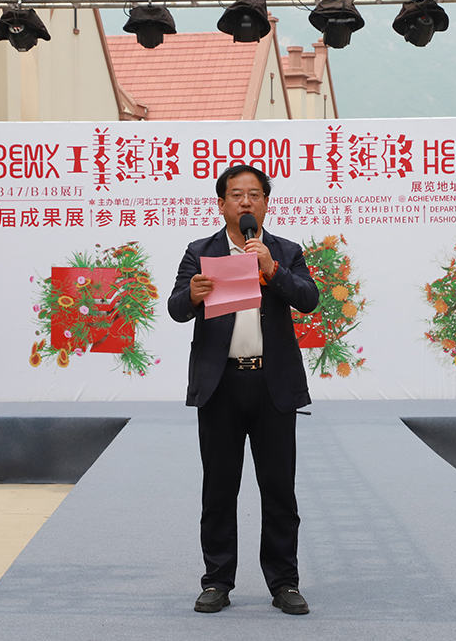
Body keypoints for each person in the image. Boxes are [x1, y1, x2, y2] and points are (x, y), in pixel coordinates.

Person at [168, 165, 319, 615]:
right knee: (218, 490)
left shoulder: (285, 251)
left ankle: (284, 583)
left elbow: (308, 300)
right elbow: (176, 308)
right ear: (221, 204)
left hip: (273, 387)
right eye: (236, 194)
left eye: (255, 194)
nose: (246, 202)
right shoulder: (201, 252)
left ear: (266, 203)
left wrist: (272, 270)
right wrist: (192, 295)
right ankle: (217, 581)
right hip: (222, 386)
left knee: (279, 490)